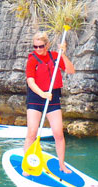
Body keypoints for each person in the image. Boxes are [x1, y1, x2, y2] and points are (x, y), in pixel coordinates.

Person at [25, 31, 75, 173]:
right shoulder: (32, 60)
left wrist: (63, 54)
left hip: (52, 99)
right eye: (35, 46)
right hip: (36, 98)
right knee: (32, 133)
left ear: (47, 45)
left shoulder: (55, 56)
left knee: (58, 133)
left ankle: (62, 165)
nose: (38, 49)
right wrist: (42, 93)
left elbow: (71, 71)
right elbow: (30, 81)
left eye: (41, 46)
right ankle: (27, 164)